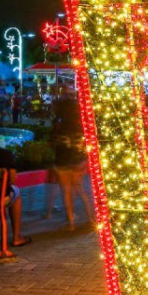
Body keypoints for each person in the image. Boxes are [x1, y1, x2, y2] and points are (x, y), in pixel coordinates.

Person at [48, 85, 94, 230]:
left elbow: (52, 143)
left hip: (62, 161)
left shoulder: (58, 125)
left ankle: (71, 222)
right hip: (78, 160)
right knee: (80, 189)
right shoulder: (80, 125)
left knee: (66, 191)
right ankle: (91, 218)